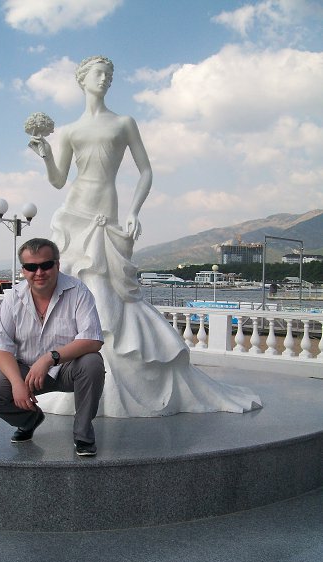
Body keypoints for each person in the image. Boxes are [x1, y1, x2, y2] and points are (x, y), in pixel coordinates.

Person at [28, 56, 261, 417]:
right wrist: (45, 155)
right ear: (83, 80)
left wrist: (134, 211)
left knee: (106, 297)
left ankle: (109, 381)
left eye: (109, 75)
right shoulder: (71, 130)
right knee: (74, 296)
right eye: (99, 74)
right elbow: (59, 180)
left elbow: (146, 171)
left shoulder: (123, 123)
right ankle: (81, 378)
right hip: (74, 213)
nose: (105, 79)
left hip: (105, 217)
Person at [0, 238, 105, 456]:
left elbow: (93, 339)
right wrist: (17, 383)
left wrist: (49, 358)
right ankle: (29, 420)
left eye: (46, 265)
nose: (39, 272)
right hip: (26, 371)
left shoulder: (78, 291)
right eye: (31, 267)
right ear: (23, 270)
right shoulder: (13, 298)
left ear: (57, 265)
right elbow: (1, 346)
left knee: (92, 362)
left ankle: (83, 434)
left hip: (67, 368)